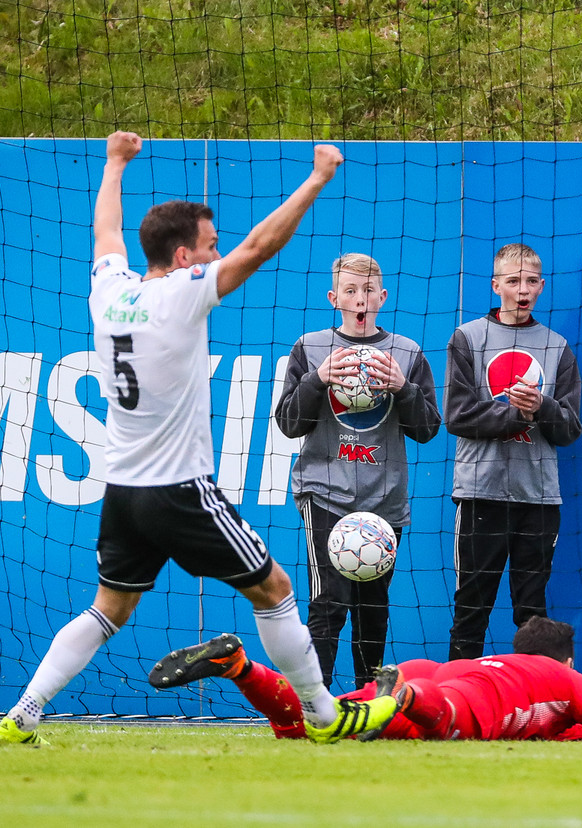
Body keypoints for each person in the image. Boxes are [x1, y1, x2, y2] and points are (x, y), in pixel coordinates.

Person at [0, 132, 397, 747]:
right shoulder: (182, 294)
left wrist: (113, 164)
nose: (217, 253)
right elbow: (259, 247)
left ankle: (23, 712)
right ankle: (323, 714)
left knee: (108, 609)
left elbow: (106, 233)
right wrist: (318, 178)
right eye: (210, 245)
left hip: (123, 490)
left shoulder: (110, 291)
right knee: (275, 590)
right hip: (179, 489)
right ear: (184, 254)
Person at [274, 253, 440, 688]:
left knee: (373, 606)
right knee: (329, 601)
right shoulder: (310, 348)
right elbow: (289, 423)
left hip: (384, 499)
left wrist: (403, 388)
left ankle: (368, 698)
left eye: (368, 291)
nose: (360, 299)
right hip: (324, 493)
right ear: (334, 299)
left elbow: (427, 429)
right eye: (350, 291)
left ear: (382, 297)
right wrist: (318, 379)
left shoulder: (406, 352)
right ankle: (316, 701)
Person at [148, 616, 582, 742]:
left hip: (442, 673)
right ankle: (402, 698)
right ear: (567, 663)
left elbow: (578, 723)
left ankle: (242, 668)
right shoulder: (566, 682)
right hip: (450, 699)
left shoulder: (497, 662)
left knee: (307, 723)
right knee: (447, 717)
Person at [444, 243, 582, 661]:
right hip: (480, 494)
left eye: (531, 281)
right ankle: (461, 693)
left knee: (532, 614)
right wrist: (518, 415)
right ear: (496, 286)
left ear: (542, 286)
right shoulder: (468, 338)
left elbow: (570, 428)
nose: (522, 289)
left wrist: (541, 406)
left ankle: (535, 694)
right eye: (513, 281)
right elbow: (457, 415)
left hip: (537, 498)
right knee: (471, 610)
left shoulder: (557, 347)